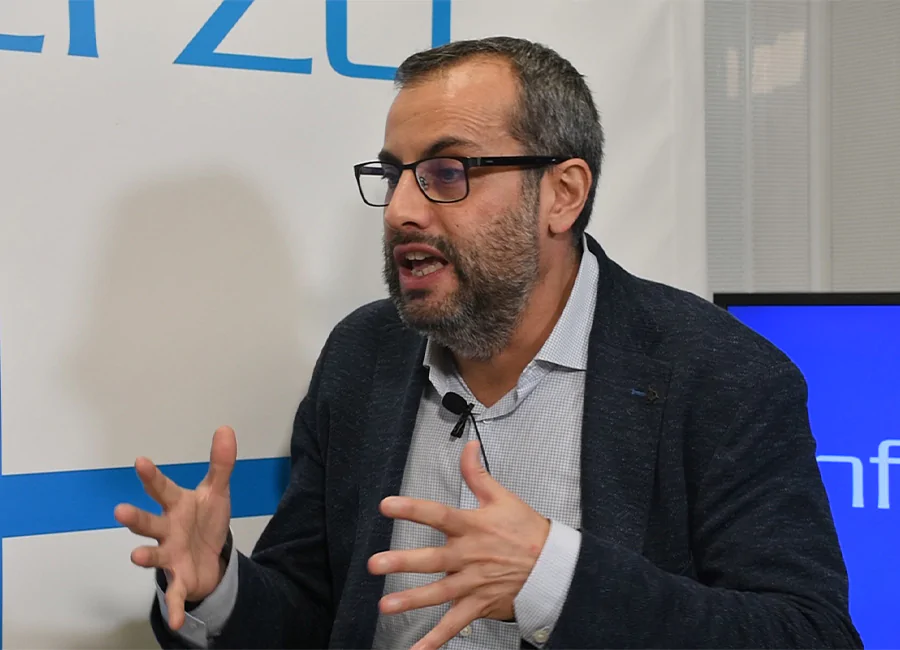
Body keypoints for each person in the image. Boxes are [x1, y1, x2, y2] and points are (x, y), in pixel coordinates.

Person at [114, 36, 862, 650]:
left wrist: (553, 579)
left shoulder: (721, 373)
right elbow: (312, 611)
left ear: (563, 194)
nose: (401, 209)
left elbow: (808, 633)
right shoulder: (363, 356)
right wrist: (219, 586)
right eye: (393, 174)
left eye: (447, 172)